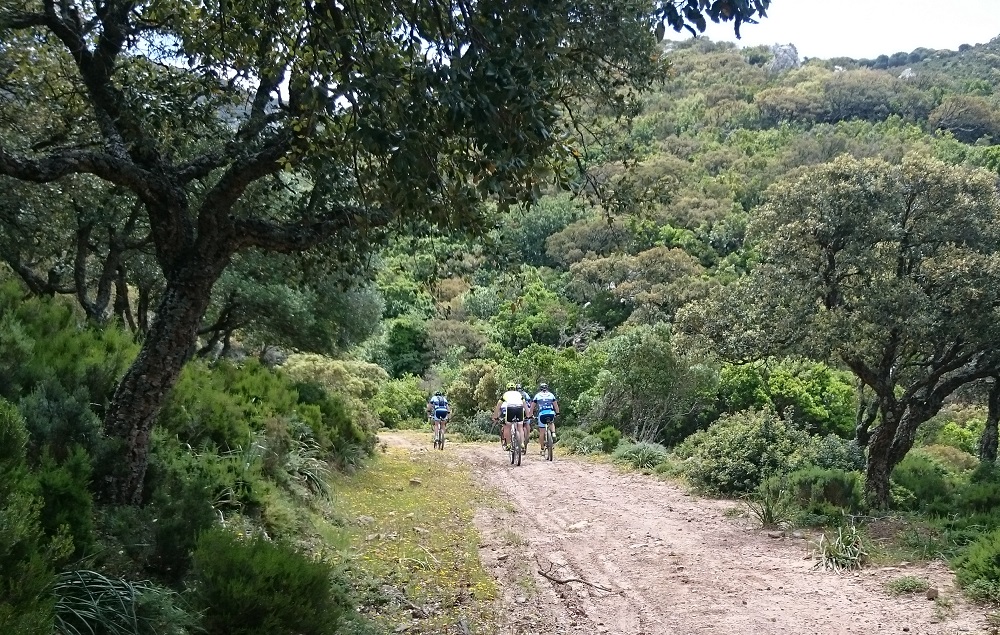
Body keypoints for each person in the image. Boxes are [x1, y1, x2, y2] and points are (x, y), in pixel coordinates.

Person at [494, 382, 527, 452]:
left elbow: (498, 405)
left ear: (507, 389)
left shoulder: (505, 394)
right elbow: (524, 404)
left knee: (507, 426)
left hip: (510, 408)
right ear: (515, 388)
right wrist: (528, 414)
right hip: (520, 408)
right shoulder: (519, 394)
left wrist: (495, 415)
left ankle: (508, 444)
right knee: (520, 426)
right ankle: (522, 443)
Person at [532, 382, 559, 454]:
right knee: (551, 422)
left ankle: (542, 449)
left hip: (542, 414)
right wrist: (557, 413)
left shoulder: (537, 395)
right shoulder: (551, 395)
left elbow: (532, 406)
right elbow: (556, 405)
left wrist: (530, 415)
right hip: (551, 413)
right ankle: (553, 433)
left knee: (541, 432)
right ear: (547, 388)